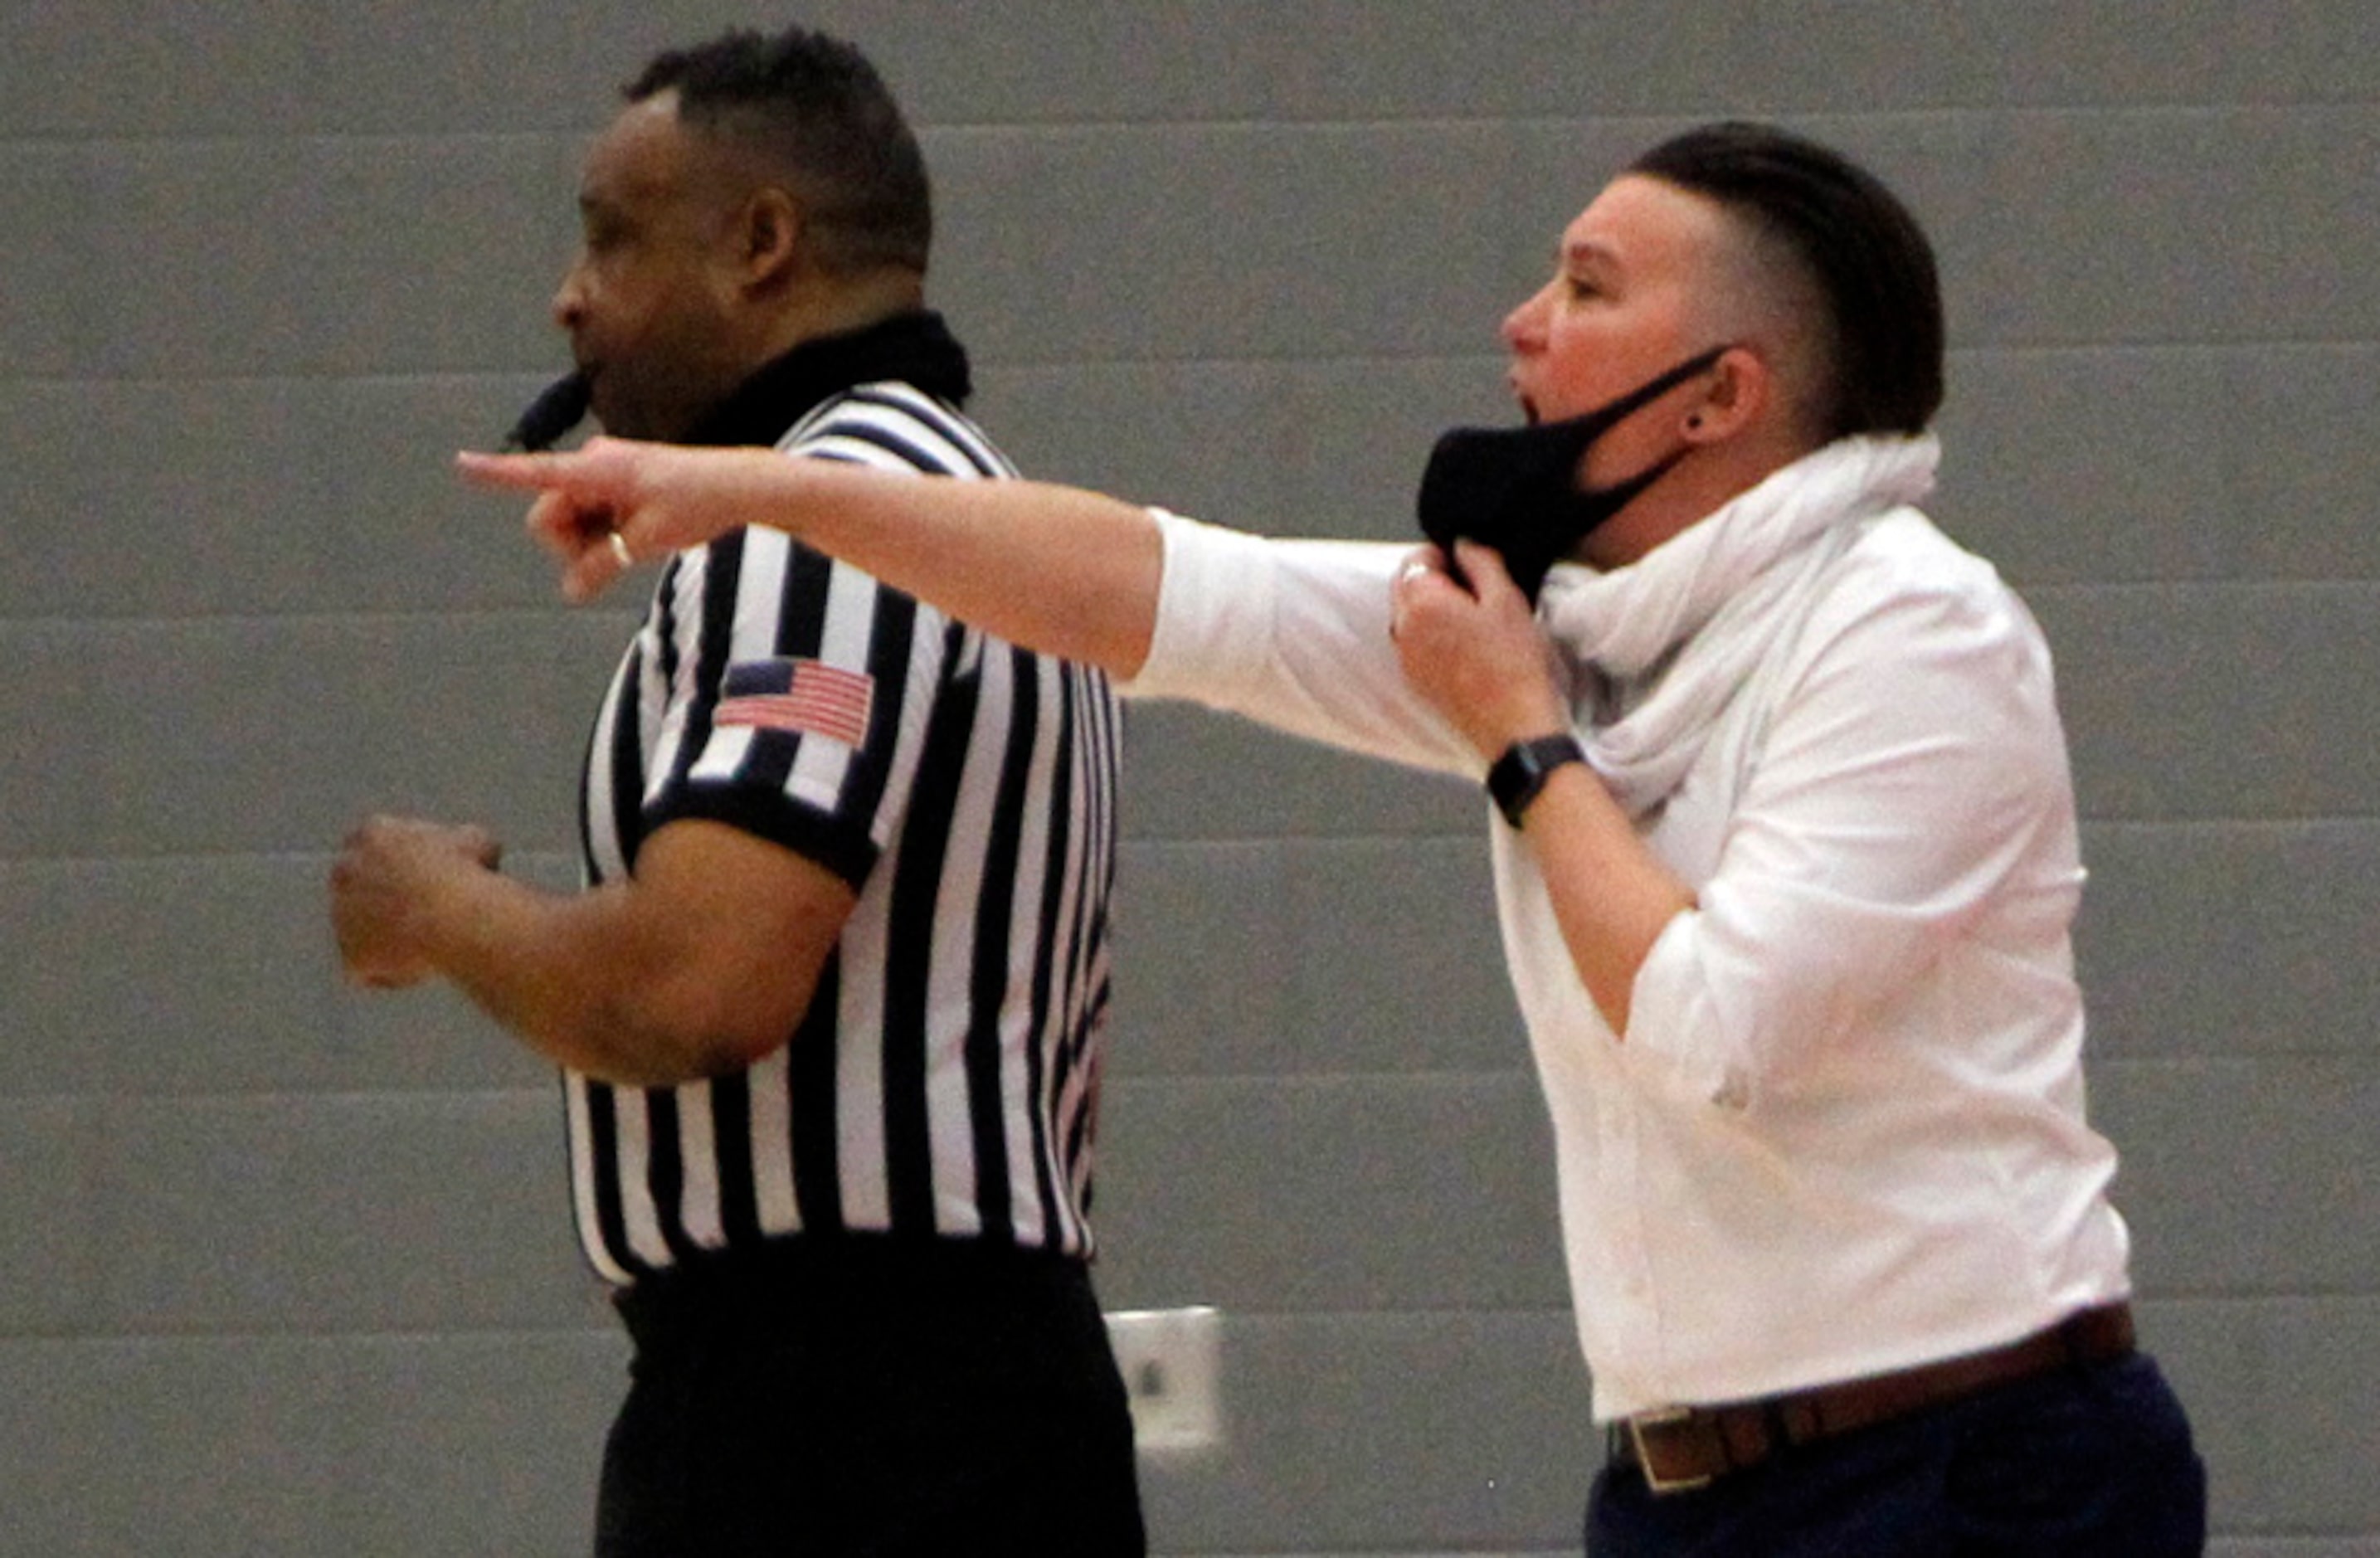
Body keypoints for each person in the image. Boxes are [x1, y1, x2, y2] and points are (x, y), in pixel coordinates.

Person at [465, 121, 2209, 1556]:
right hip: (1686, 1491)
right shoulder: (1574, 626)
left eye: (1586, 288)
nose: (1521, 325)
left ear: (1714, 397)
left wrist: (1519, 740)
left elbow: (1712, 1026)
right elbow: (1154, 588)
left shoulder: (1909, 630)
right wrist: (744, 486)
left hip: (1979, 1469)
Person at [332, 25, 1146, 1556]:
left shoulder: (833, 519)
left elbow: (697, 987)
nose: (567, 298)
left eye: (611, 238)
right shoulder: (964, 498)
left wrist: (437, 905)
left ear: (763, 244)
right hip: (933, 1402)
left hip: (843, 1425)